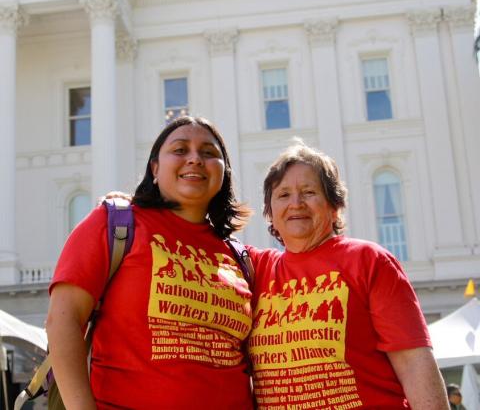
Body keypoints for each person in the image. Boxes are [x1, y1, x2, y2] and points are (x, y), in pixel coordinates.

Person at [45, 116, 254, 410]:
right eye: (180, 150)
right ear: (155, 168)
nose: (195, 159)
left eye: (209, 153)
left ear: (224, 173)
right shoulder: (115, 224)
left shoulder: (241, 258)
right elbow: (62, 321)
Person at [247, 140, 449, 409]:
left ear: (334, 205)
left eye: (308, 192)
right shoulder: (257, 269)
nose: (295, 203)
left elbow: (414, 362)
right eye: (283, 195)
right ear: (270, 213)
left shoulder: (368, 260)